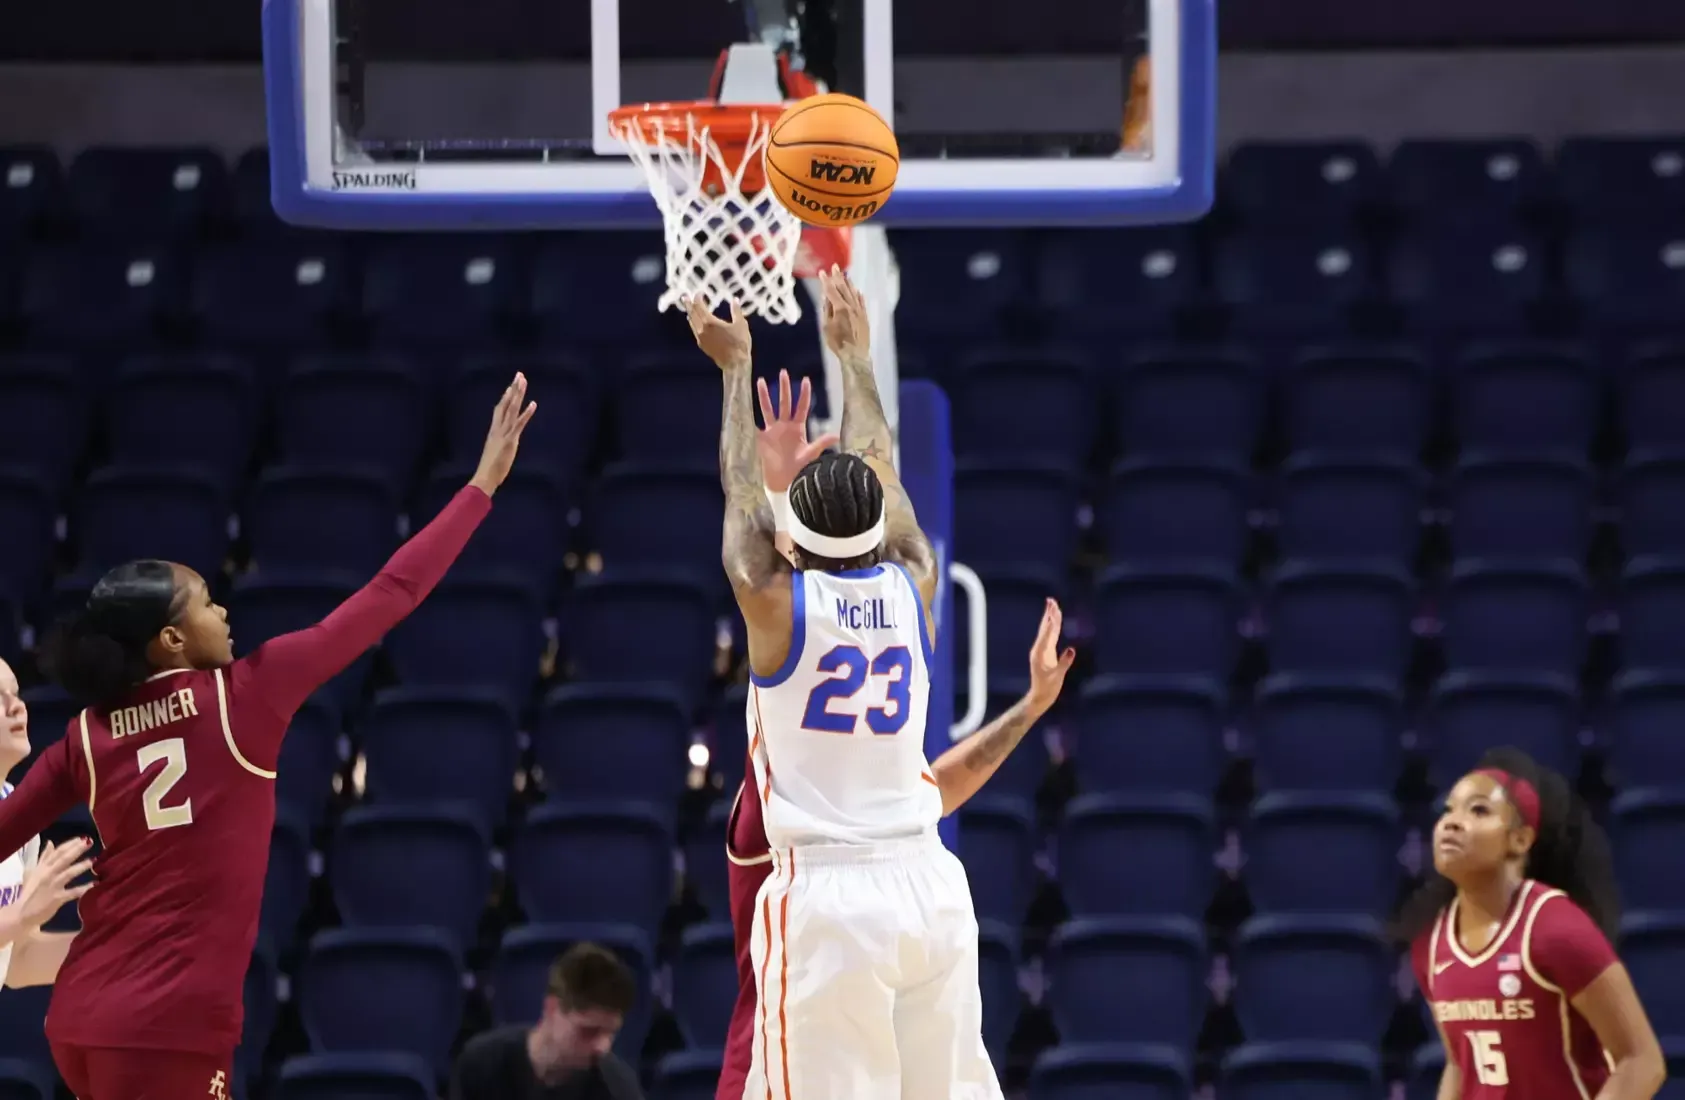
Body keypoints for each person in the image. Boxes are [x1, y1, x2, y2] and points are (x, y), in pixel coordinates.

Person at [0, 374, 536, 1100]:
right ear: (170, 640)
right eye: (204, 603)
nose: (222, 611)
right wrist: (480, 488)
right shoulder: (245, 695)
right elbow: (390, 593)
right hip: (167, 1028)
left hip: (80, 1021)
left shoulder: (84, 737)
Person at [689, 269, 1046, 1098]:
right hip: (927, 883)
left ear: (794, 542)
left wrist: (735, 369)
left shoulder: (777, 604)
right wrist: (854, 359)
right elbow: (880, 464)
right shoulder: (915, 581)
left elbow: (742, 501)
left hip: (830, 898)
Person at [1400, 747, 1667, 1100]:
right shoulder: (1431, 942)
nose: (1451, 822)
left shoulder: (1556, 929)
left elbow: (1642, 1061)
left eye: (1479, 810)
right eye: (1448, 810)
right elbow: (1460, 1065)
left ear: (1520, 840)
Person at [450, 942, 644, 1100]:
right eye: (589, 1031)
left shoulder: (618, 1089)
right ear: (552, 1009)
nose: (602, 1047)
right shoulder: (480, 1065)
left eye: (611, 1033)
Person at [0, 658, 93, 989]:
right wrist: (21, 913)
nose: (16, 707)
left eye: (16, 693)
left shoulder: (18, 812)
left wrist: (121, 946)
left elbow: (18, 961)